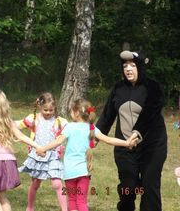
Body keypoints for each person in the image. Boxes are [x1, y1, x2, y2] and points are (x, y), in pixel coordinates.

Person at [96, 50, 168, 211]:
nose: (128, 69)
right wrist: (95, 133)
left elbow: (149, 112)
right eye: (125, 66)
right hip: (125, 147)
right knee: (128, 188)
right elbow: (107, 115)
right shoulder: (118, 89)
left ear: (140, 67)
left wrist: (136, 133)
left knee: (149, 188)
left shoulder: (153, 87)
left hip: (152, 147)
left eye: (132, 65)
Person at [36, 98, 136, 211]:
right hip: (84, 172)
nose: (70, 114)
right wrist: (126, 143)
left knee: (72, 200)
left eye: (71, 111)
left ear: (77, 113)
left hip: (70, 172)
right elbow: (108, 140)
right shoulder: (92, 128)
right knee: (82, 202)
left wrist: (42, 148)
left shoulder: (69, 127)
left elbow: (58, 141)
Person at [16, 92, 68, 211]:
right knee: (35, 183)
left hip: (53, 155)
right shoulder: (33, 118)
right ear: (40, 107)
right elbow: (18, 124)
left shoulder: (60, 121)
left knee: (57, 184)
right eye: (45, 110)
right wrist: (4, 123)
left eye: (51, 110)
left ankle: (65, 209)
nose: (49, 113)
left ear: (55, 108)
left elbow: (70, 131)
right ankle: (30, 207)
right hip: (37, 156)